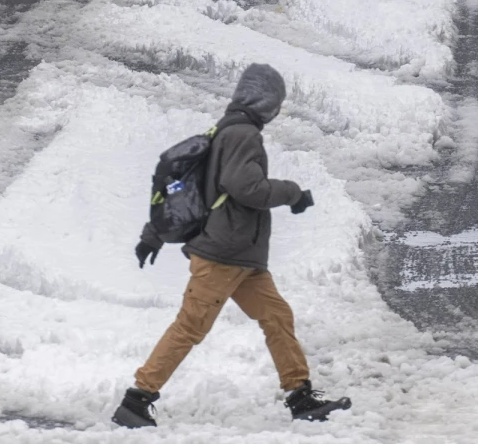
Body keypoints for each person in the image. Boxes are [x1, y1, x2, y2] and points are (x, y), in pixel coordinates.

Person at [113, 64, 351, 428]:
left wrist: (153, 234)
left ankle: (300, 395)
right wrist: (293, 193)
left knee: (276, 316)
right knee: (190, 327)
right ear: (265, 101)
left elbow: (199, 188)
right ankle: (137, 399)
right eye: (276, 103)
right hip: (223, 255)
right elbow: (246, 188)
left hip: (243, 257)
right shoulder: (243, 135)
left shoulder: (225, 131)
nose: (277, 111)